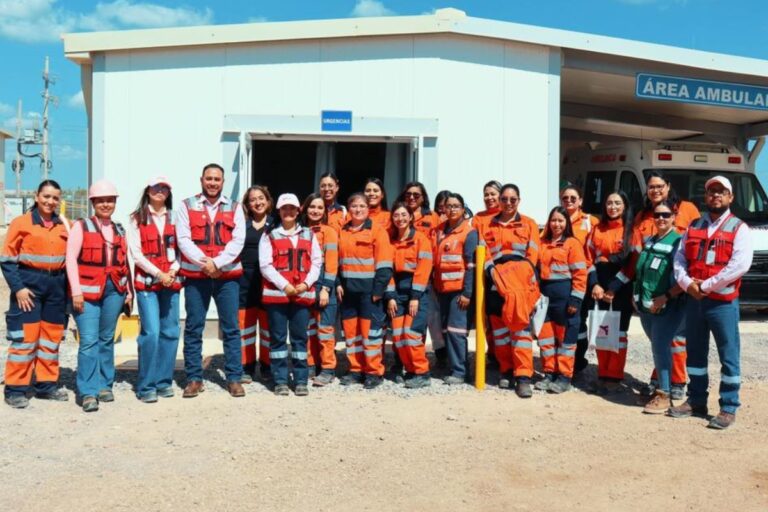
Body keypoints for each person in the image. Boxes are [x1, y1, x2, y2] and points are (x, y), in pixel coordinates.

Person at [670, 176, 752, 430]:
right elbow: (679, 259)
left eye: (721, 192)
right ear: (705, 197)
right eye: (711, 192)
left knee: (728, 355)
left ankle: (728, 407)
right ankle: (696, 400)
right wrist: (687, 284)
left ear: (730, 198)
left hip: (722, 303)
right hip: (695, 302)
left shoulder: (739, 228)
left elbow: (739, 265)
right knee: (695, 352)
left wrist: (704, 286)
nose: (716, 196)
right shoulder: (694, 226)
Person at [177, 163, 246, 398]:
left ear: (223, 182)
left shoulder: (235, 207)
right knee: (194, 327)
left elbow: (238, 241)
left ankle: (234, 377)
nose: (213, 183)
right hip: (197, 276)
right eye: (209, 178)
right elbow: (183, 239)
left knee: (231, 328)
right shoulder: (187, 206)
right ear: (201, 180)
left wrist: (217, 264)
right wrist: (205, 264)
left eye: (217, 179)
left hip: (227, 277)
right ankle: (194, 378)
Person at [1, 180, 69, 409]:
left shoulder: (63, 226)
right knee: (25, 339)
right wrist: (18, 288)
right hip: (29, 285)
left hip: (56, 287)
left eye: (55, 198)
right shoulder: (21, 223)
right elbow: (7, 260)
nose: (50, 202)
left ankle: (46, 386)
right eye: (46, 196)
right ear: (36, 196)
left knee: (51, 339)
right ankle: (15, 389)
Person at [633, 171, 700, 399]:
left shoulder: (688, 209)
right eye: (651, 187)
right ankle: (659, 378)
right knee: (658, 340)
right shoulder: (642, 216)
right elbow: (637, 253)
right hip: (650, 290)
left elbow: (697, 246)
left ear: (668, 186)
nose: (655, 190)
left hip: (675, 290)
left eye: (659, 186)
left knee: (676, 340)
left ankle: (677, 381)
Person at [67, 179, 132, 412]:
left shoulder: (119, 229)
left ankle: (105, 385)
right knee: (88, 341)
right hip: (86, 294)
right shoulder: (81, 226)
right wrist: (76, 291)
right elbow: (70, 260)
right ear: (93, 202)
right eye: (101, 200)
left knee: (106, 339)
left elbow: (125, 264)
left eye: (110, 200)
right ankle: (88, 391)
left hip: (114, 292)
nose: (106, 204)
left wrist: (128, 293)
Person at [480, 184, 541, 397]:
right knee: (499, 330)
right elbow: (483, 253)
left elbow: (533, 255)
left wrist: (518, 277)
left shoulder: (529, 224)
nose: (508, 203)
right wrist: (494, 275)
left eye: (512, 199)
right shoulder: (487, 225)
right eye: (504, 199)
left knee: (521, 332)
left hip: (521, 284)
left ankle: (523, 376)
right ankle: (506, 369)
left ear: (519, 200)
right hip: (496, 283)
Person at [260, 193, 322, 396]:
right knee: (277, 339)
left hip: (302, 295)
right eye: (284, 208)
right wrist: (285, 285)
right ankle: (280, 380)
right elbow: (265, 265)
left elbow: (316, 262)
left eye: (292, 208)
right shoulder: (269, 235)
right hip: (277, 296)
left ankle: (301, 379)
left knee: (299, 338)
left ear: (298, 211)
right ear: (279, 211)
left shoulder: (308, 234)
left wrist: (306, 284)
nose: (288, 212)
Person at [127, 176, 182, 403]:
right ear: (148, 190)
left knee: (170, 332)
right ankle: (146, 385)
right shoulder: (136, 219)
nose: (160, 192)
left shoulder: (177, 218)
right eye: (156, 188)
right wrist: (159, 274)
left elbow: (182, 249)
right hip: (148, 284)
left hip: (172, 282)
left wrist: (173, 270)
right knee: (151, 333)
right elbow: (136, 254)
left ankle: (163, 381)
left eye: (165, 189)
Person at [633, 199, 685, 414]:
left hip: (667, 305)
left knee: (660, 347)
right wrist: (635, 295)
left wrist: (666, 297)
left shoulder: (678, 242)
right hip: (647, 306)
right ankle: (669, 386)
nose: (661, 219)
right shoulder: (650, 240)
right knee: (658, 345)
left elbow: (683, 276)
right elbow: (642, 271)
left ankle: (664, 394)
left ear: (674, 217)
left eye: (666, 215)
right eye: (657, 215)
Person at [337, 193, 394, 389]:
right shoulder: (342, 231)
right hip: (348, 292)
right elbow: (336, 261)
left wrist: (378, 290)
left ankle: (373, 372)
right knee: (352, 335)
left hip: (370, 293)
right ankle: (355, 369)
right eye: (354, 206)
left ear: (368, 208)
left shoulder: (377, 231)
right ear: (349, 208)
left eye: (362, 206)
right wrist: (337, 283)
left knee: (371, 335)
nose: (358, 209)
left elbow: (385, 264)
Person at [585, 190, 636, 394]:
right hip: (599, 285)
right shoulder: (597, 229)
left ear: (624, 206)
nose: (612, 207)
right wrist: (595, 284)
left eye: (617, 203)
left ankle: (614, 377)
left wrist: (614, 288)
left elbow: (632, 264)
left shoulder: (632, 231)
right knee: (601, 330)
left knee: (619, 333)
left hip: (621, 287)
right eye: (609, 203)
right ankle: (602, 374)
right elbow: (587, 258)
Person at [535, 206, 588, 394]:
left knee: (566, 340)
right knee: (546, 339)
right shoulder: (542, 242)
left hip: (565, 297)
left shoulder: (572, 244)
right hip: (545, 297)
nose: (556, 224)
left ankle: (565, 377)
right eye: (553, 220)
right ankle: (549, 372)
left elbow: (581, 274)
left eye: (560, 220)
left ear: (566, 223)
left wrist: (575, 300)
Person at [385, 201, 433, 388]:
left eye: (404, 215)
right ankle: (411, 370)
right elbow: (386, 270)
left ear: (411, 217)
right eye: (396, 215)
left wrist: (415, 296)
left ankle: (422, 373)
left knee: (411, 334)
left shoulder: (421, 239)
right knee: (397, 336)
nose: (400, 219)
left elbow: (423, 268)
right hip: (396, 294)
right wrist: (390, 297)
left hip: (416, 294)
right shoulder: (390, 241)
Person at [433, 192, 478, 385]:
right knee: (446, 330)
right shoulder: (440, 230)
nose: (451, 209)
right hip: (442, 290)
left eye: (455, 206)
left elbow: (471, 265)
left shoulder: (469, 232)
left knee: (456, 331)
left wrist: (467, 293)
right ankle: (453, 367)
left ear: (463, 209)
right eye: (448, 206)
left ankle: (460, 372)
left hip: (459, 291)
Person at [300, 193, 339, 387]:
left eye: (320, 208)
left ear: (325, 211)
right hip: (305, 286)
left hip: (324, 287)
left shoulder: (329, 232)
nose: (315, 211)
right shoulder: (299, 231)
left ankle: (328, 368)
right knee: (307, 329)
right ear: (305, 209)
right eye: (312, 207)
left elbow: (332, 264)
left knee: (325, 330)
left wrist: (326, 289)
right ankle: (309, 364)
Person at [237, 185, 274, 384]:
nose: (258, 202)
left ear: (268, 201)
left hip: (269, 282)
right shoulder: (241, 225)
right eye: (253, 200)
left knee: (268, 327)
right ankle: (247, 366)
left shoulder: (276, 225)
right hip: (244, 281)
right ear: (247, 204)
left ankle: (267, 365)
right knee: (246, 327)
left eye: (261, 198)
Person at [560, 184, 599, 375]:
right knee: (565, 321)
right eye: (565, 198)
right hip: (561, 279)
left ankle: (578, 361)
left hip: (582, 279)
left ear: (581, 201)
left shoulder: (591, 222)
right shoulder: (557, 220)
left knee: (579, 321)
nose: (568, 201)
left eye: (573, 198)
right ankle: (565, 361)